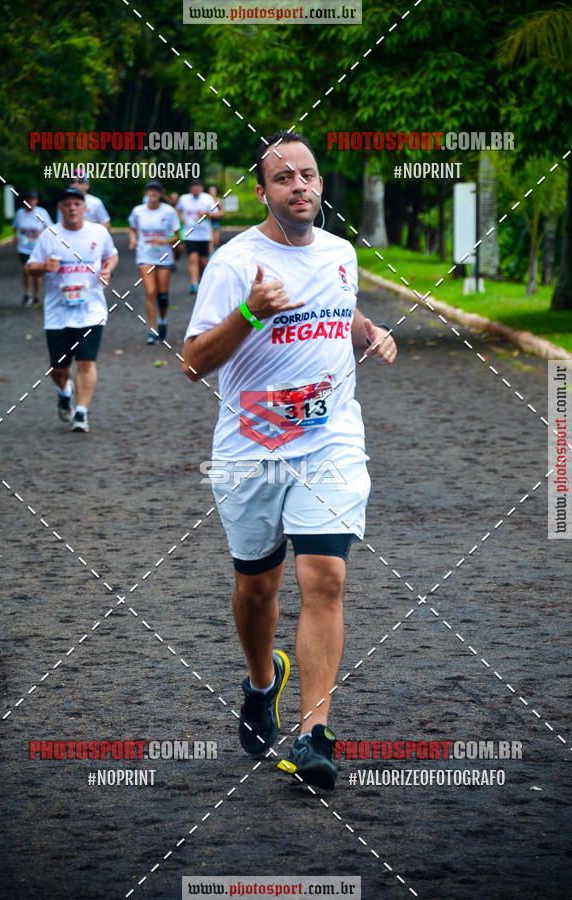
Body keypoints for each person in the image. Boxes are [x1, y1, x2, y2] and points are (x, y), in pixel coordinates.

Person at [182, 131, 397, 790]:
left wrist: (364, 329)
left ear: (320, 184)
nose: (299, 185)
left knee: (324, 575)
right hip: (251, 451)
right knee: (257, 588)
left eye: (308, 175)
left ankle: (314, 733)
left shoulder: (340, 252)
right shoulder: (232, 264)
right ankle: (259, 681)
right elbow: (192, 363)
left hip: (329, 442)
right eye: (284, 178)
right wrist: (250, 311)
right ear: (263, 192)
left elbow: (333, 299)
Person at [28, 187, 118, 432]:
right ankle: (64, 392)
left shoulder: (98, 233)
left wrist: (108, 269)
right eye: (67, 204)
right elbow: (30, 267)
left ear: (85, 208)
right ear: (61, 209)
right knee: (59, 369)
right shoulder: (49, 235)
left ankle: (81, 413)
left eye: (77, 204)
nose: (72, 208)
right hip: (58, 313)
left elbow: (112, 256)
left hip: (92, 310)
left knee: (87, 362)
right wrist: (45, 266)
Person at [128, 180, 181, 344]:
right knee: (151, 292)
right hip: (145, 256)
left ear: (161, 193)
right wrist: (133, 239)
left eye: (156, 191)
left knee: (162, 296)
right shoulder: (138, 211)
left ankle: (162, 321)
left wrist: (164, 241)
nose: (153, 193)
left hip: (164, 257)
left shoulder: (169, 212)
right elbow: (132, 228)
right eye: (150, 190)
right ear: (146, 193)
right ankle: (152, 331)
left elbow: (178, 236)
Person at [12, 190, 53, 307]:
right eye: (28, 199)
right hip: (23, 248)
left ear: (37, 201)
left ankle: (36, 296)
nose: (30, 202)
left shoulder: (41, 213)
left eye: (33, 199)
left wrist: (41, 233)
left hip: (37, 248)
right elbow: (15, 227)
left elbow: (51, 228)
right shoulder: (20, 213)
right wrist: (15, 237)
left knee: (36, 273)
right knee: (26, 270)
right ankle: (27, 294)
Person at [176, 179, 217, 294]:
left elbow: (217, 214)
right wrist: (181, 218)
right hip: (190, 235)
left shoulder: (207, 198)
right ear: (190, 189)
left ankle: (202, 280)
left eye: (198, 187)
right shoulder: (184, 199)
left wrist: (206, 214)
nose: (195, 190)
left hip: (204, 235)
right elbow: (177, 210)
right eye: (193, 187)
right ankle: (194, 284)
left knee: (203, 261)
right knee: (192, 259)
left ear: (201, 188)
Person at [207, 184, 224, 253]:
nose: (212, 192)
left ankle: (216, 253)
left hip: (216, 221)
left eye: (213, 190)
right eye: (211, 190)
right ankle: (210, 255)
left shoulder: (218, 200)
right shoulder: (206, 200)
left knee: (216, 241)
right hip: (208, 221)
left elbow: (222, 211)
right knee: (211, 240)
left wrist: (216, 215)